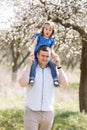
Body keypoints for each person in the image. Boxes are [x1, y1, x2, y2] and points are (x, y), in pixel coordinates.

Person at [19, 46, 68, 130]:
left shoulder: (54, 70)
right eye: (42, 55)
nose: (45, 58)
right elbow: (22, 83)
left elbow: (65, 83)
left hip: (48, 112)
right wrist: (29, 65)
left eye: (47, 56)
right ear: (37, 55)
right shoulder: (30, 68)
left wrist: (58, 65)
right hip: (31, 111)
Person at [29, 21, 59, 87]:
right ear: (43, 29)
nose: (47, 31)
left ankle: (55, 79)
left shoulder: (52, 40)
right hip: (37, 56)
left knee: (52, 65)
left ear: (52, 31)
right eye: (46, 29)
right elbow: (34, 45)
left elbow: (51, 49)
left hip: (47, 57)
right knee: (33, 65)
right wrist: (32, 52)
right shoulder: (39, 36)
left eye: (50, 30)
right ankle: (32, 78)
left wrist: (54, 55)